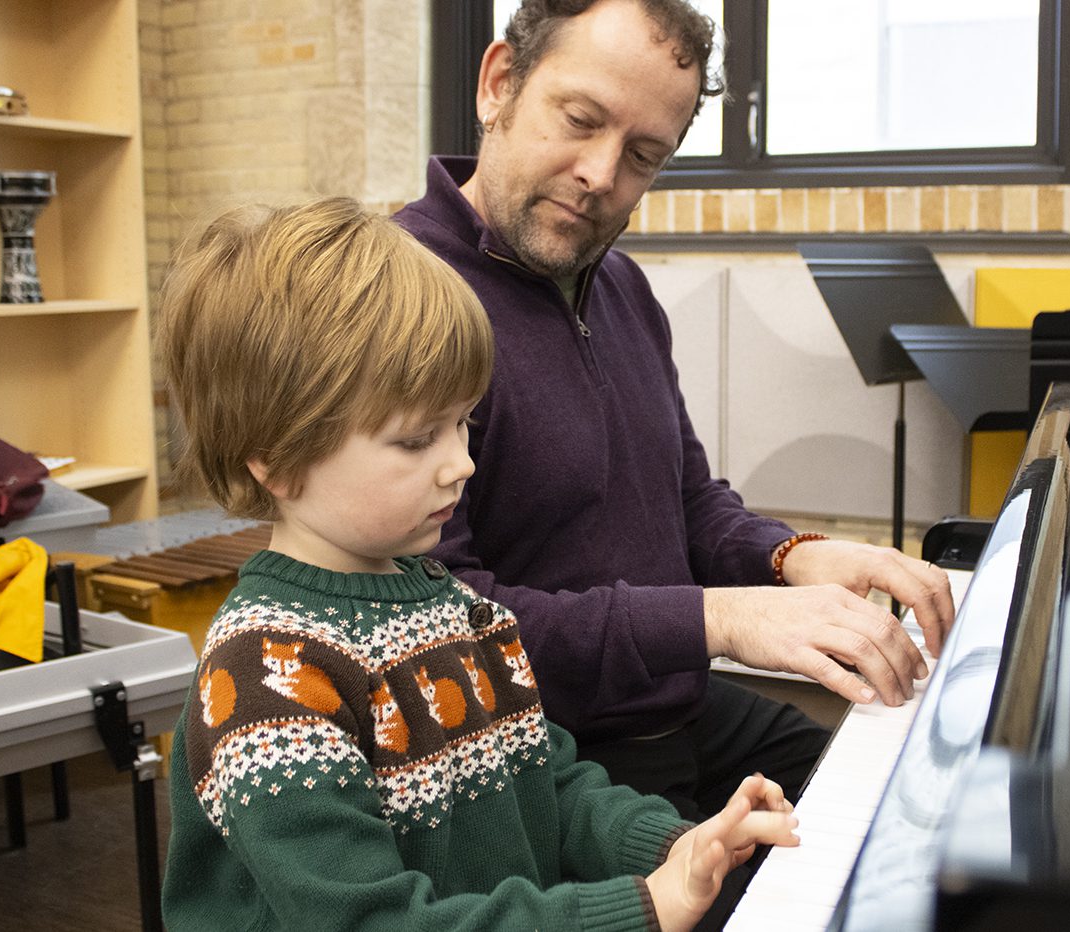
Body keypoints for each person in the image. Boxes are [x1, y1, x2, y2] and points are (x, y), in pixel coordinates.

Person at [156, 197, 798, 931]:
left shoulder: (454, 606)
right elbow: (375, 922)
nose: (460, 463)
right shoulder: (267, 679)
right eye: (414, 440)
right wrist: (639, 906)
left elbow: (547, 782)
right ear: (275, 457)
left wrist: (680, 847)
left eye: (462, 422)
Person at [394, 0, 956, 821]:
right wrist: (719, 620)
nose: (600, 175)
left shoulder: (619, 286)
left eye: (643, 156)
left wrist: (794, 557)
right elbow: (441, 624)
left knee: (912, 801)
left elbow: (687, 501)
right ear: (498, 83)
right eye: (580, 120)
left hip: (675, 706)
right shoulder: (399, 300)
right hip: (547, 757)